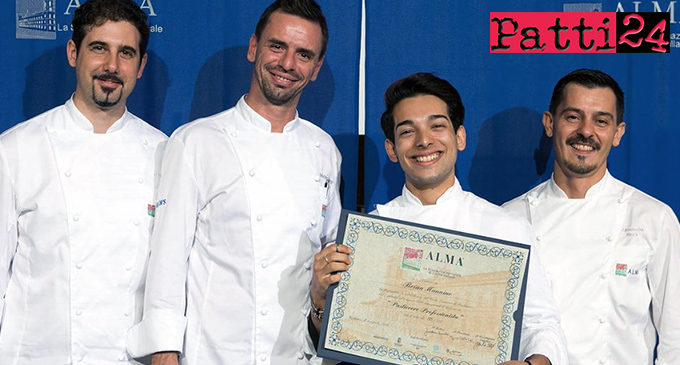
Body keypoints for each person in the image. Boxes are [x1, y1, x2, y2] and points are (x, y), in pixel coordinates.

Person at [126, 1, 340, 364]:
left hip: (295, 355)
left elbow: (329, 254)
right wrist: (165, 353)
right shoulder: (196, 141)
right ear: (254, 47)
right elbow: (167, 260)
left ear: (316, 68)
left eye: (303, 55)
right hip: (213, 353)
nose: (288, 64)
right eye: (277, 46)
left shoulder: (324, 150)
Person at [310, 73, 568, 365]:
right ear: (392, 149)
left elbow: (541, 325)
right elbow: (342, 344)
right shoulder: (368, 236)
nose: (424, 141)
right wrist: (321, 304)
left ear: (460, 137)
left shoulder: (505, 227)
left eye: (437, 126)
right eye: (407, 131)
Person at [0, 0, 166, 363]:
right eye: (98, 48)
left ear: (141, 66)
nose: (111, 66)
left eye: (126, 53)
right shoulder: (15, 150)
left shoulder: (165, 154)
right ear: (73, 52)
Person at [503, 68, 680, 364]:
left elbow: (676, 334)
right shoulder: (509, 219)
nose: (586, 132)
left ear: (617, 133)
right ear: (550, 124)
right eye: (573, 117)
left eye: (601, 121)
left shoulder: (654, 218)